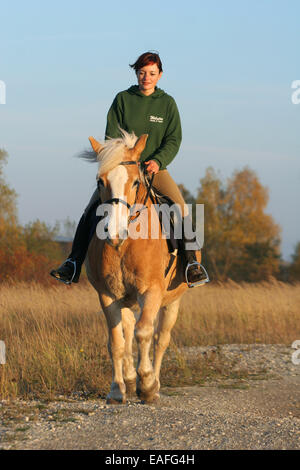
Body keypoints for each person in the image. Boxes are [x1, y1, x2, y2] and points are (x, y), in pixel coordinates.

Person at [50, 52, 208, 286]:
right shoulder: (122, 99)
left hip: (155, 170)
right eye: (142, 72)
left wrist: (158, 161)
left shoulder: (167, 104)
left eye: (152, 73)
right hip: (123, 171)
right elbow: (111, 138)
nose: (147, 77)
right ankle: (73, 262)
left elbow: (173, 139)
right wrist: (123, 161)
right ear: (136, 73)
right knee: (90, 210)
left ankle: (192, 263)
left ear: (160, 75)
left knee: (181, 209)